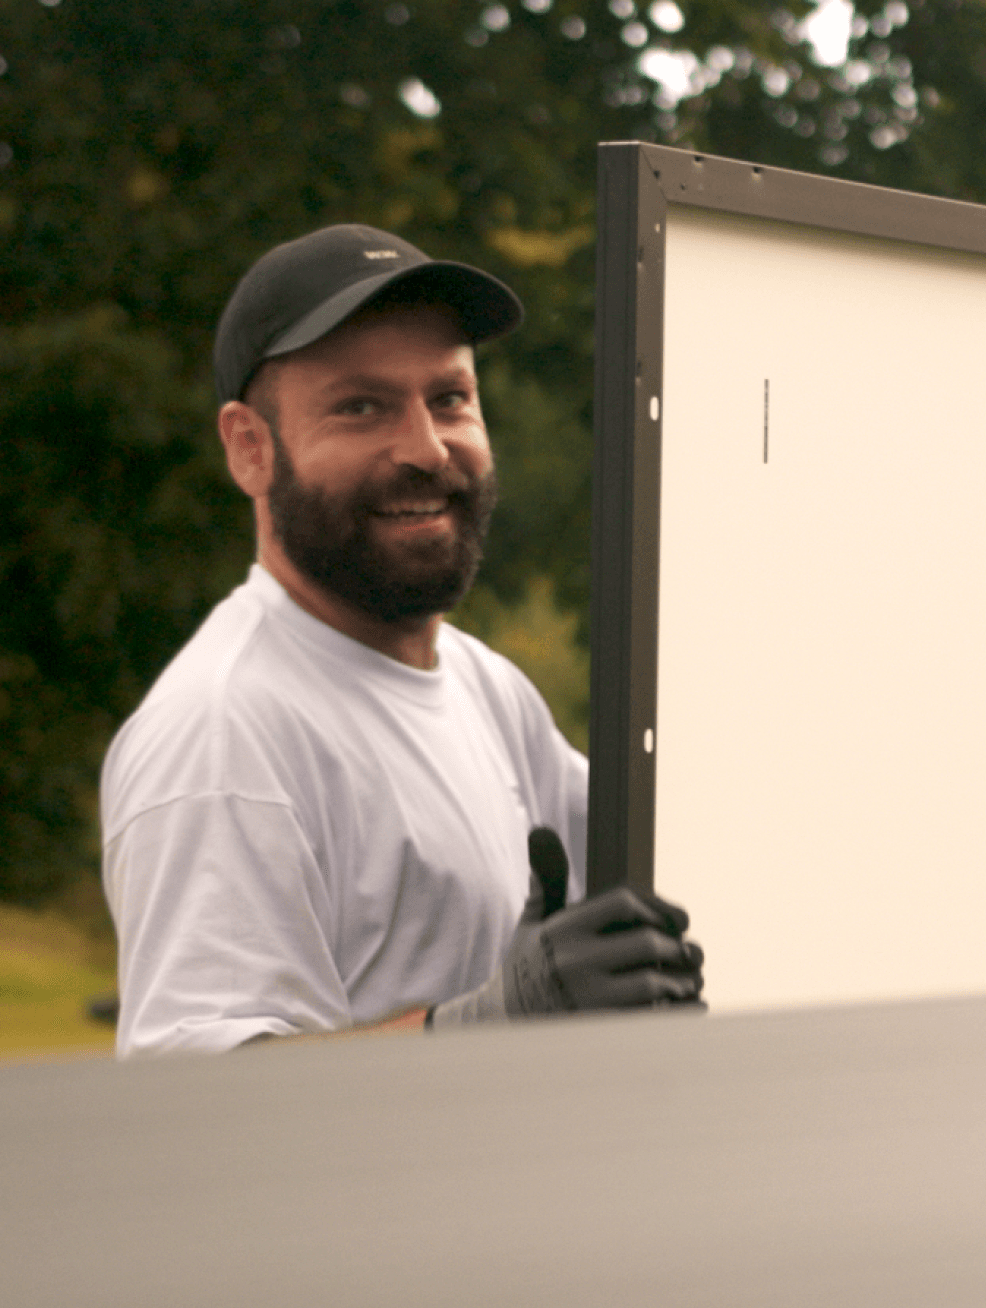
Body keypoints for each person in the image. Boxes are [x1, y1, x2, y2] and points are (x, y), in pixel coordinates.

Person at [100, 223, 703, 1055]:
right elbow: (204, 1111)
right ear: (249, 448)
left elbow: (667, 863)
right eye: (361, 407)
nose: (425, 449)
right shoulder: (224, 734)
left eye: (449, 399)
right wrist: (482, 1028)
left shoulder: (483, 686)